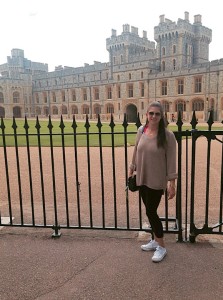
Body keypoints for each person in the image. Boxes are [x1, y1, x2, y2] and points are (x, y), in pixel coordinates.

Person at [129, 101, 177, 262]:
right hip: (142, 177)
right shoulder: (141, 130)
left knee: (151, 212)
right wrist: (131, 169)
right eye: (151, 113)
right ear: (147, 115)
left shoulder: (168, 136)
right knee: (149, 210)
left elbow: (171, 160)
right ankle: (155, 240)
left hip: (156, 180)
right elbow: (136, 150)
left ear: (161, 116)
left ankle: (161, 246)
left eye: (157, 114)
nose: (154, 116)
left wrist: (172, 184)